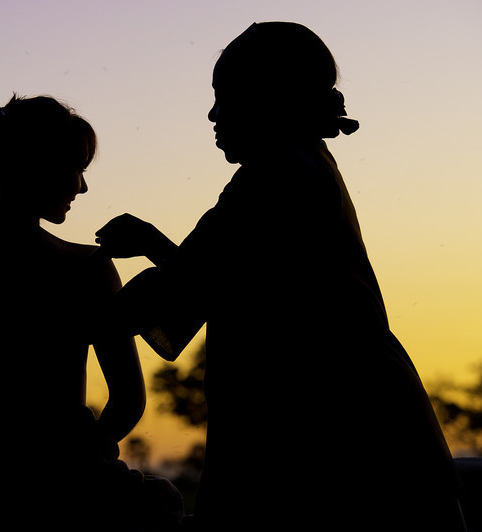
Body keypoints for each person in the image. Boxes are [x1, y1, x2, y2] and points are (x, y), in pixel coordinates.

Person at [95, 22, 466, 531]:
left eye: (223, 97)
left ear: (262, 99)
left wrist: (55, 317)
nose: (212, 114)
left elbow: (191, 285)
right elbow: (227, 277)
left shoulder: (275, 176)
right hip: (352, 432)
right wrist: (154, 246)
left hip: (333, 440)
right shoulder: (301, 166)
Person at [0, 95, 183, 531]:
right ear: (37, 165)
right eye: (77, 168)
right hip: (77, 488)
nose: (82, 187)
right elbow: (127, 401)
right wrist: (74, 462)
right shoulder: (88, 268)